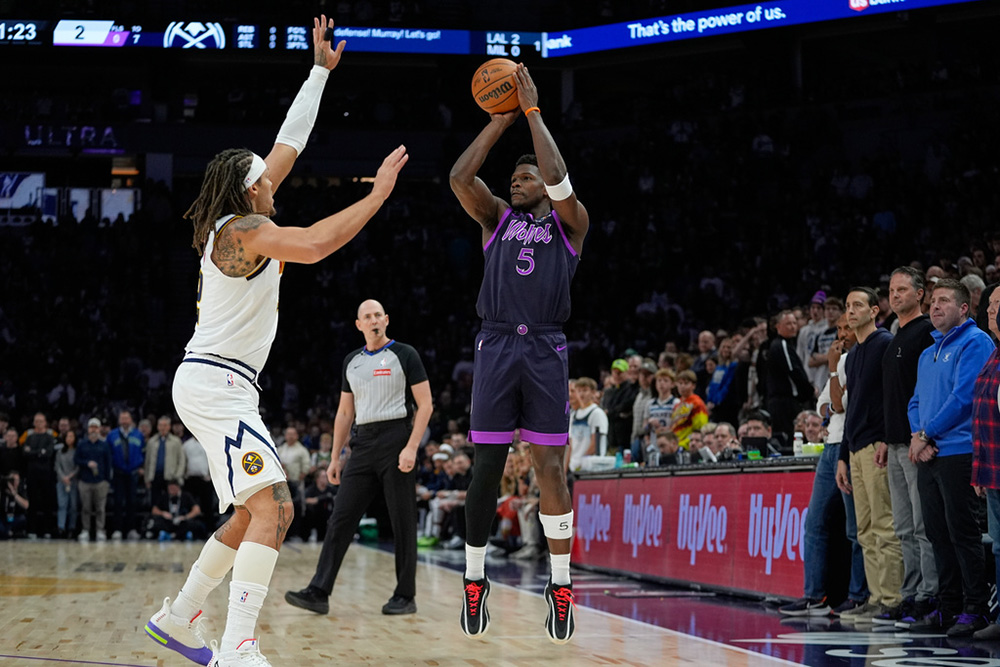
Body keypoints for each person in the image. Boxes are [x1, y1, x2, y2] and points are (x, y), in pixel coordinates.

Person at [144, 17, 409, 667]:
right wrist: (375, 196)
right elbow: (316, 243)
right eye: (265, 177)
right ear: (248, 189)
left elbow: (290, 139)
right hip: (215, 379)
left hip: (221, 381)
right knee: (278, 508)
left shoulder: (245, 208)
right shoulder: (243, 231)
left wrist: (320, 70)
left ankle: (180, 615)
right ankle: (238, 646)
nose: (275, 177)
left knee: (248, 513)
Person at [449, 62, 589, 644]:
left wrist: (532, 113)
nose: (516, 180)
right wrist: (499, 121)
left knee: (549, 467)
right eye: (513, 176)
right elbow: (461, 176)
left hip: (547, 348)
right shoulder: (496, 218)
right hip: (498, 342)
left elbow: (557, 176)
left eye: (524, 176)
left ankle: (560, 586)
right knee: (485, 465)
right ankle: (475, 578)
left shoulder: (570, 223)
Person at [284, 298, 432, 617]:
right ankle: (319, 591)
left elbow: (426, 404)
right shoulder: (351, 361)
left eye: (379, 314)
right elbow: (344, 412)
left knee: (402, 519)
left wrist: (412, 446)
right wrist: (335, 458)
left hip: (396, 438)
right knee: (340, 517)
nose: (374, 319)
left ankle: (405, 596)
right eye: (368, 316)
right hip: (362, 444)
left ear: (387, 319)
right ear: (359, 325)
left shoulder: (405, 354)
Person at [907, 279, 995, 636]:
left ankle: (975, 610)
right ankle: (949, 608)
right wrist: (918, 436)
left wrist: (926, 434)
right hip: (928, 453)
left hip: (958, 451)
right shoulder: (927, 353)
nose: (935, 306)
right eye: (933, 301)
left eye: (944, 301)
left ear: (963, 309)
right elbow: (914, 402)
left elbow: (963, 398)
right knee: (937, 534)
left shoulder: (976, 342)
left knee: (963, 534)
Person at [780, 313, 868, 617]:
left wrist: (831, 373)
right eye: (839, 329)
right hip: (830, 447)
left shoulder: (855, 360)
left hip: (850, 447)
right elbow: (822, 406)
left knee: (856, 529)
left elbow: (839, 406)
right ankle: (814, 595)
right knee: (814, 523)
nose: (841, 334)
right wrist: (832, 400)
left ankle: (858, 595)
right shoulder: (842, 360)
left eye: (847, 328)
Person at [874, 267, 937, 628]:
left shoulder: (927, 331)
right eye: (891, 289)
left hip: (917, 443)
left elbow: (925, 392)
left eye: (902, 289)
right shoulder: (895, 333)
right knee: (902, 526)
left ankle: (929, 595)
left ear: (919, 293)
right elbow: (892, 396)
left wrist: (921, 434)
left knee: (921, 525)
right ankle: (910, 594)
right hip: (894, 443)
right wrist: (885, 436)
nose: (895, 295)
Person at [834, 287, 902, 623]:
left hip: (876, 445)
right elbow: (850, 410)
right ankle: (876, 597)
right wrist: (843, 456)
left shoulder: (884, 344)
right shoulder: (855, 353)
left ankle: (891, 598)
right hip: (856, 447)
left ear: (875, 310)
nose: (851, 311)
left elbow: (892, 398)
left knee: (883, 525)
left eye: (857, 305)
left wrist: (888, 440)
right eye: (847, 306)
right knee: (864, 530)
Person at [971, 286, 1000, 639]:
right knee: (999, 545)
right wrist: (979, 467)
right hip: (993, 468)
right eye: (990, 304)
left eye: (998, 305)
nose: (992, 310)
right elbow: (982, 415)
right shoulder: (994, 355)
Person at [107, 409, 145, 540]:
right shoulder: (112, 435)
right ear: (119, 420)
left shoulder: (138, 434)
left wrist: (142, 467)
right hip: (118, 472)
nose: (124, 421)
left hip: (133, 473)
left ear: (131, 420)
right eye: (122, 418)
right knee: (118, 502)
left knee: (132, 502)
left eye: (126, 418)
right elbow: (108, 455)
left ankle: (131, 529)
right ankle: (117, 529)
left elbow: (143, 453)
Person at [76, 418, 112, 543]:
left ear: (99, 429)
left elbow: (109, 463)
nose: (93, 429)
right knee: (85, 508)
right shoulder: (82, 444)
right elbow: (76, 460)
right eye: (91, 427)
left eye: (96, 427)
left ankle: (100, 530)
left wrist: (107, 481)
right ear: (88, 429)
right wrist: (87, 463)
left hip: (101, 482)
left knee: (100, 508)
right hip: (85, 481)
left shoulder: (104, 445)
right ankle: (85, 530)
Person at [567, 377, 608, 472]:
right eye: (579, 391)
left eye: (585, 390)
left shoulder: (597, 413)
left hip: (591, 467)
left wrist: (582, 461)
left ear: (593, 392)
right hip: (574, 467)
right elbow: (570, 445)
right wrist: (565, 469)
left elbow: (595, 443)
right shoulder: (573, 415)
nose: (581, 394)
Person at [145, 415, 186, 505]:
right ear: (157, 427)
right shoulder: (152, 441)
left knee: (169, 501)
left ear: (169, 427)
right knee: (155, 501)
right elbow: (147, 461)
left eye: (165, 425)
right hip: (155, 476)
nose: (163, 428)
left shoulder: (176, 441)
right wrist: (147, 478)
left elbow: (181, 460)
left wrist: (178, 475)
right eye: (161, 425)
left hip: (171, 477)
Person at [54, 428, 79, 539]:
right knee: (62, 505)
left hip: (73, 482)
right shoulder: (60, 452)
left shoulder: (77, 452)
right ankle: (61, 527)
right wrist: (63, 477)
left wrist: (70, 476)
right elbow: (57, 466)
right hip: (61, 481)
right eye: (68, 436)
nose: (69, 439)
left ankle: (71, 528)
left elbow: (78, 467)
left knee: (73, 506)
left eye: (71, 436)